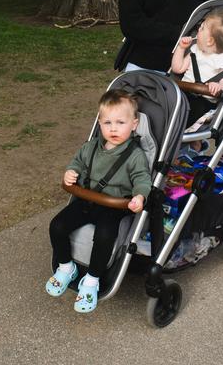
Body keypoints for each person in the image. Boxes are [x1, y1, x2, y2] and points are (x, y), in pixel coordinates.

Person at [46, 90, 151, 313]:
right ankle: (66, 267)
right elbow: (77, 162)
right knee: (57, 226)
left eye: (120, 122)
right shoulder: (91, 147)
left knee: (104, 236)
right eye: (107, 123)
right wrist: (71, 173)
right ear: (99, 123)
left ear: (134, 124)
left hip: (115, 206)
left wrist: (139, 196)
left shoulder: (135, 155)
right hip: (88, 199)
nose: (113, 129)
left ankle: (92, 279)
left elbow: (142, 179)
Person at [171, 7, 223, 151]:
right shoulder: (194, 52)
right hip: (182, 94)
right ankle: (183, 144)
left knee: (186, 117)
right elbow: (177, 68)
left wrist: (218, 86)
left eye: (201, 28)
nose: (198, 30)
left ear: (209, 41)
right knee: (170, 107)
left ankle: (182, 146)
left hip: (204, 102)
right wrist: (181, 48)